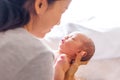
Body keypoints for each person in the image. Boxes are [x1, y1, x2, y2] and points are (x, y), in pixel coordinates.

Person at [0, 0, 79, 80]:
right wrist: (69, 76)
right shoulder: (39, 54)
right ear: (40, 5)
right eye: (62, 11)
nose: (59, 22)